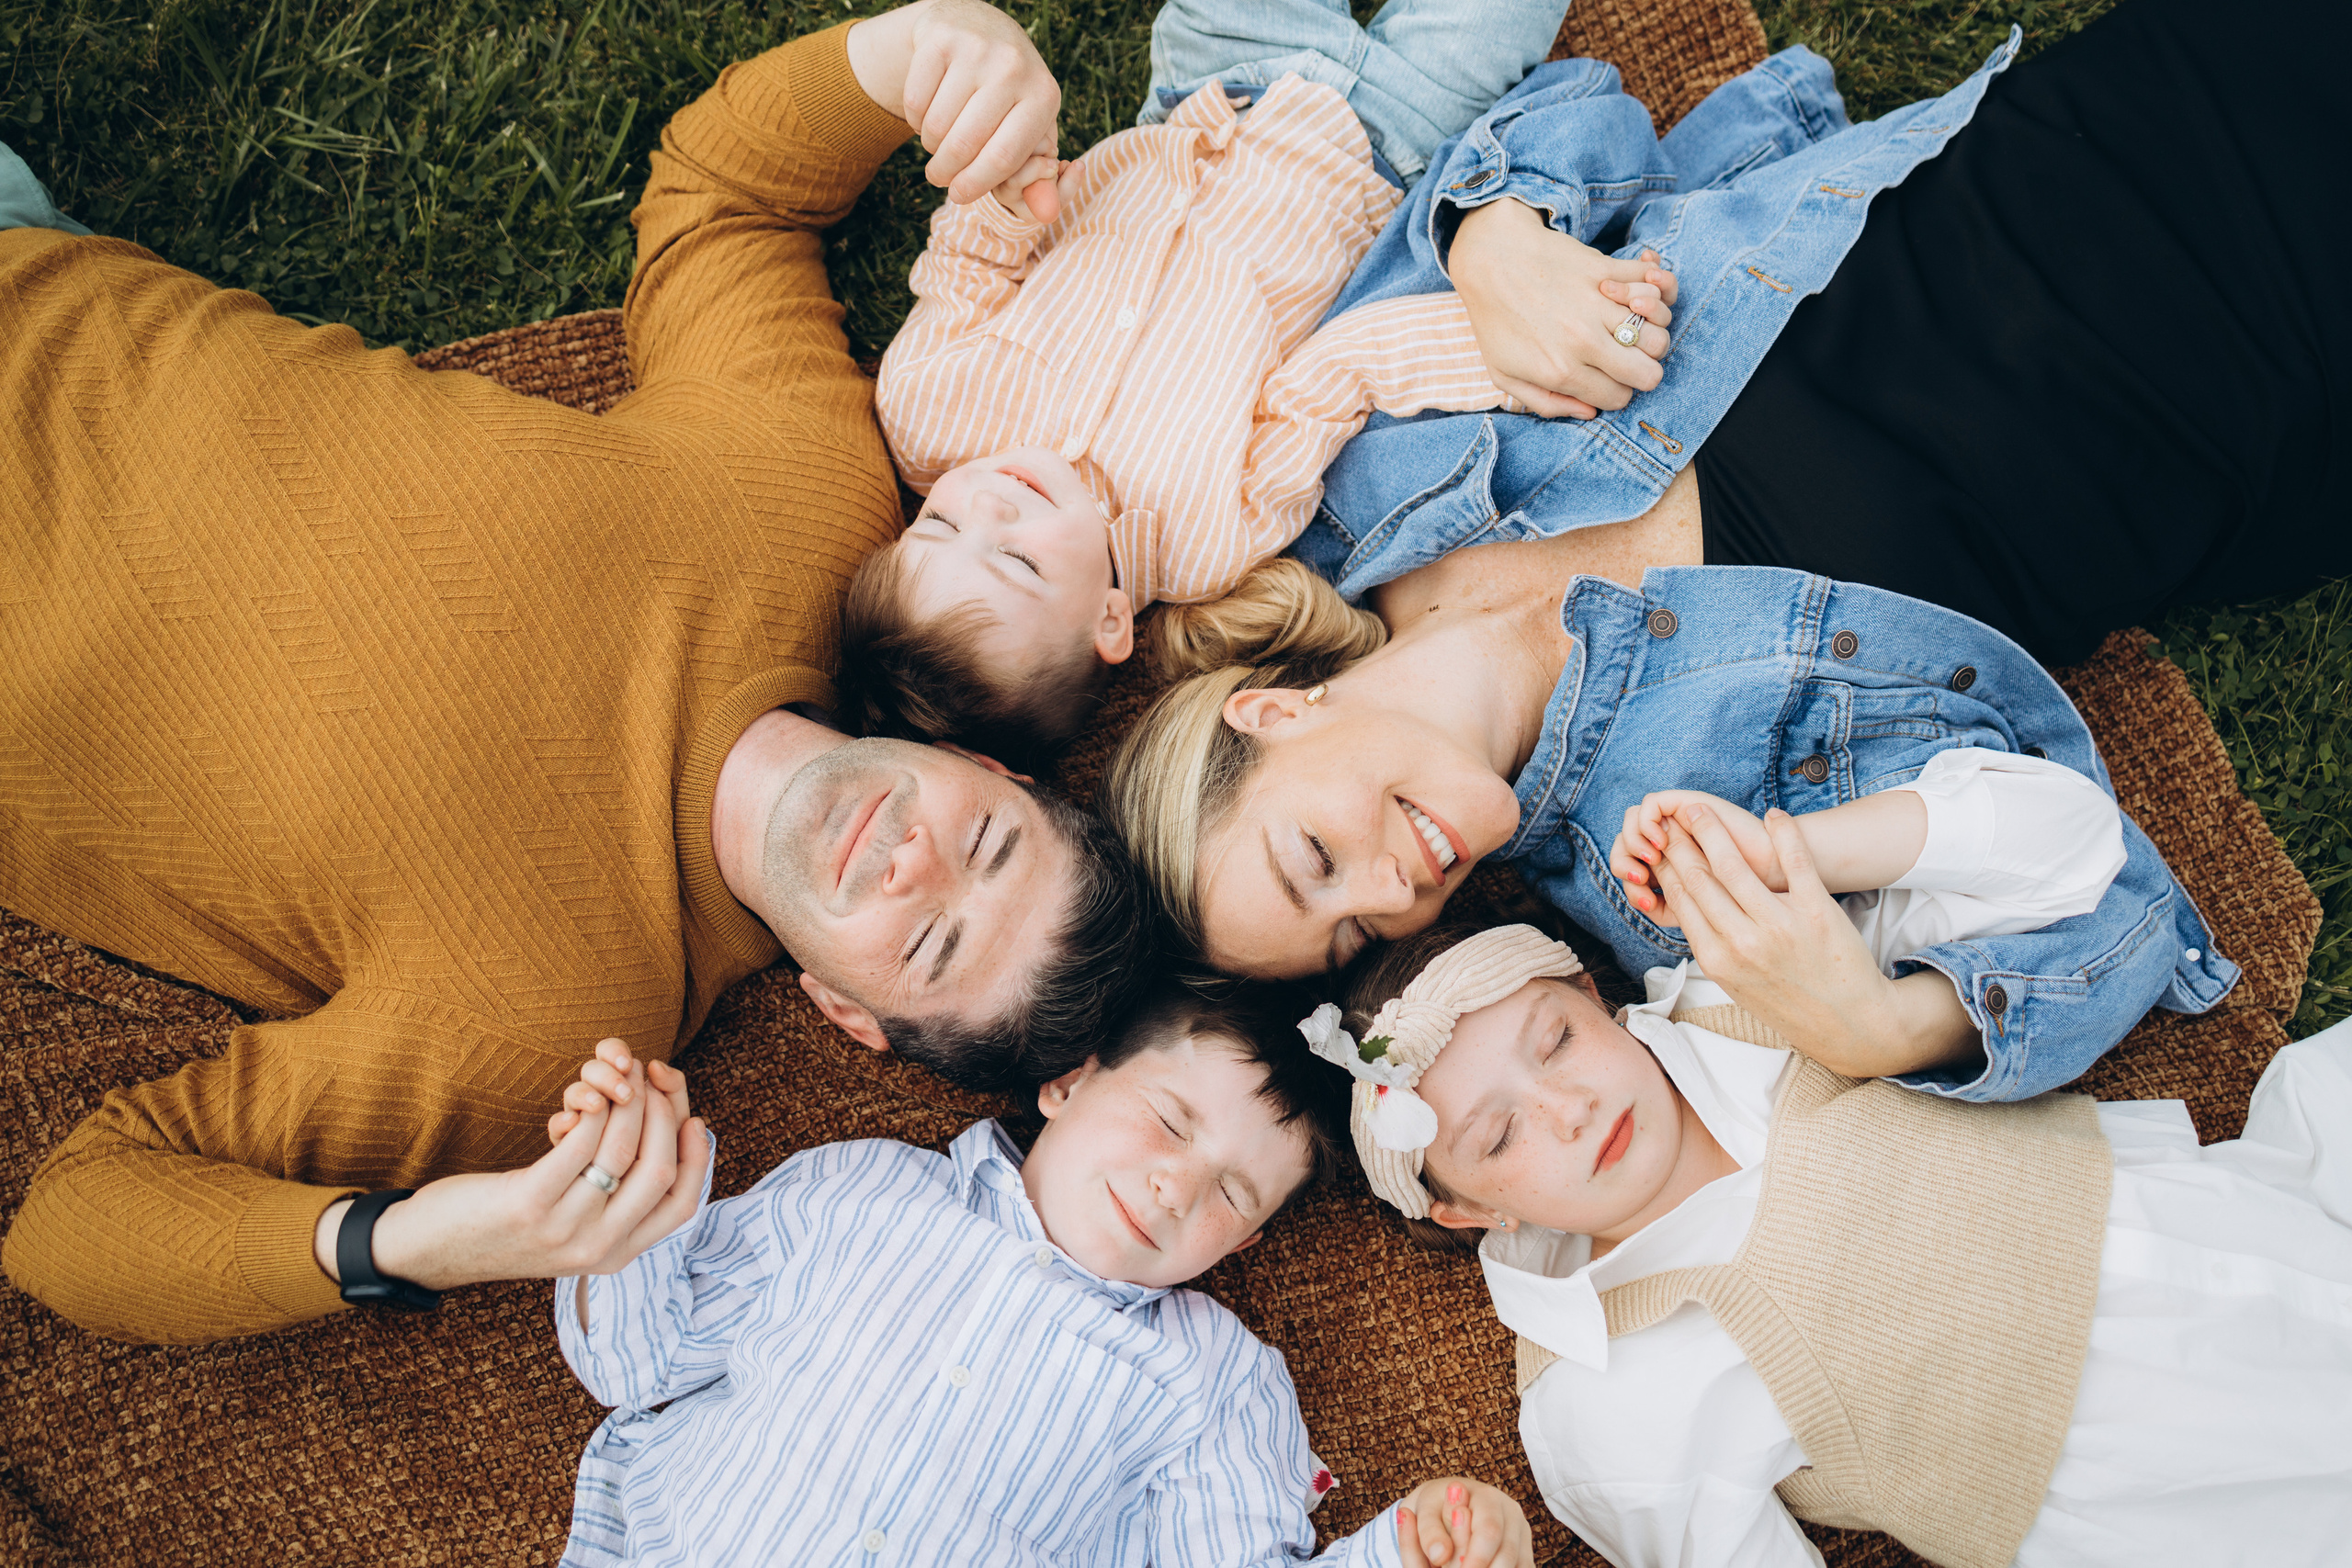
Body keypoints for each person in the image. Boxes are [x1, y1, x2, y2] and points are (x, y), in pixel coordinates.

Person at [0, 0, 1149, 1347]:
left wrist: (433, 1236)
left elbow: (75, 1220)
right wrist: (927, 52)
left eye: (934, 943)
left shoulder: (544, 1032)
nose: (913, 862)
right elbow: (727, 197)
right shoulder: (811, 513)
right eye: (989, 845)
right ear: (983, 765)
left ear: (849, 1013)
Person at [1306, 861, 2352, 1564]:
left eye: (1558, 1041)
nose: (1568, 1108)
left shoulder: (1745, 1002)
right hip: (2176, 1482)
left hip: (2240, 1218)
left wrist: (1850, 938)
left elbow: (2055, 865)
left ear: (1591, 993)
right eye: (1500, 1137)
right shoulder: (1602, 1402)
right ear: (1462, 1210)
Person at [841, 0, 1691, 767]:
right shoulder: (1207, 542)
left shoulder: (928, 410)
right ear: (1108, 621)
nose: (990, 507)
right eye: (1018, 560)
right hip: (1391, 142)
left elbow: (970, 258)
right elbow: (1335, 378)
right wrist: (1510, 353)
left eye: (939, 523)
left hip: (1218, 74)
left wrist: (1008, 181)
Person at [541, 987, 1538, 1567]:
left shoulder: (1213, 1382)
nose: (1177, 1185)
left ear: (1242, 1245)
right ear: (1067, 1083)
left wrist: (1404, 1550)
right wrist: (632, 1185)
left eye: (1234, 1193)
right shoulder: (861, 1190)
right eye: (1169, 1120)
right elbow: (636, 1360)